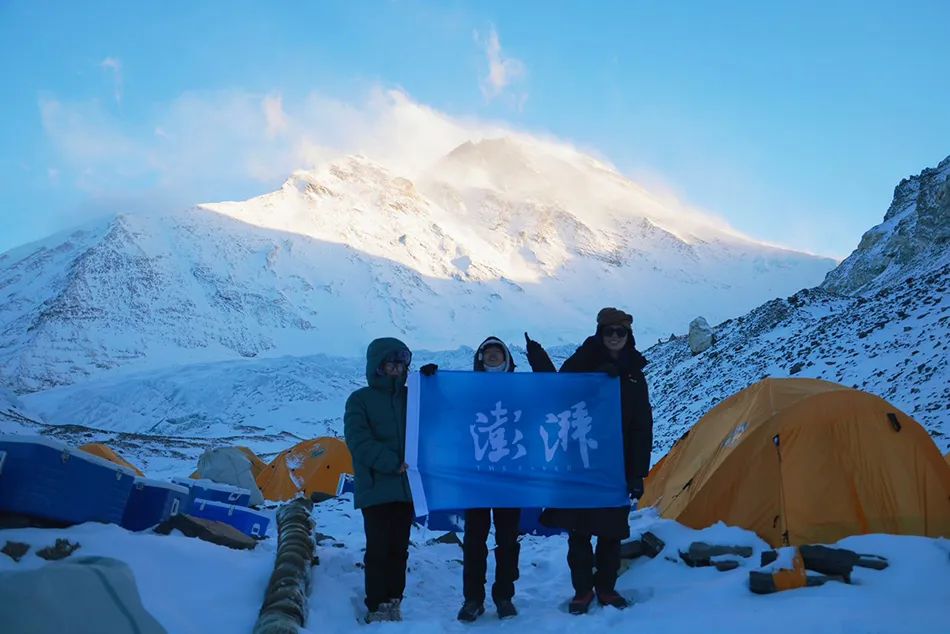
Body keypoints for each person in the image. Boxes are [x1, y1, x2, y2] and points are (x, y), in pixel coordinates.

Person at [541, 307, 654, 614]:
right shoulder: (582, 362)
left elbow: (641, 426)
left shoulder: (633, 375)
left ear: (628, 336)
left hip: (616, 467)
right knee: (579, 533)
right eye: (609, 332)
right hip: (581, 463)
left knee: (611, 532)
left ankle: (606, 588)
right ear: (599, 334)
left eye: (621, 332)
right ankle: (582, 590)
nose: (615, 337)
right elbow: (559, 392)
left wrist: (637, 473)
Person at [420, 336, 522, 622]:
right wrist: (432, 382)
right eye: (487, 353)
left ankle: (504, 595)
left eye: (497, 352)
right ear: (480, 358)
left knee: (507, 540)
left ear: (506, 358)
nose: (492, 356)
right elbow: (446, 411)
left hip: (509, 478)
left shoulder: (520, 388)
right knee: (475, 540)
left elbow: (542, 407)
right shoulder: (467, 390)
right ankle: (473, 599)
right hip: (475, 478)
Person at [343, 338, 415, 623]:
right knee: (378, 549)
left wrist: (433, 383)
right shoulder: (360, 399)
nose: (396, 369)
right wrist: (391, 463)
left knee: (399, 548)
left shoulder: (414, 397)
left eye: (401, 364)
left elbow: (437, 415)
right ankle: (376, 604)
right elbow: (358, 440)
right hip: (376, 486)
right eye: (390, 364)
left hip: (406, 488)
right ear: (378, 366)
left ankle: (394, 600)